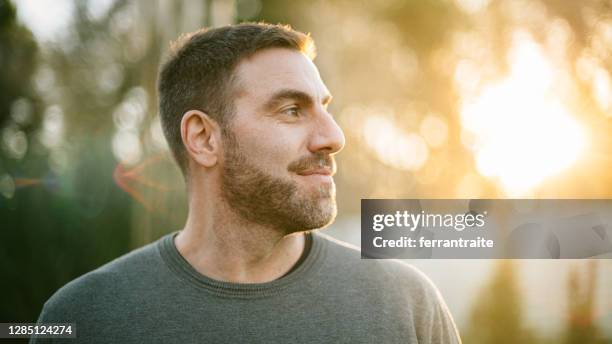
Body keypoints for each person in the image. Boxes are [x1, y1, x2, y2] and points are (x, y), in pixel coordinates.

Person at [32, 23, 461, 343]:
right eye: (292, 110)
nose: (333, 137)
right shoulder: (83, 319)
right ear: (203, 138)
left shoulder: (405, 307)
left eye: (324, 108)